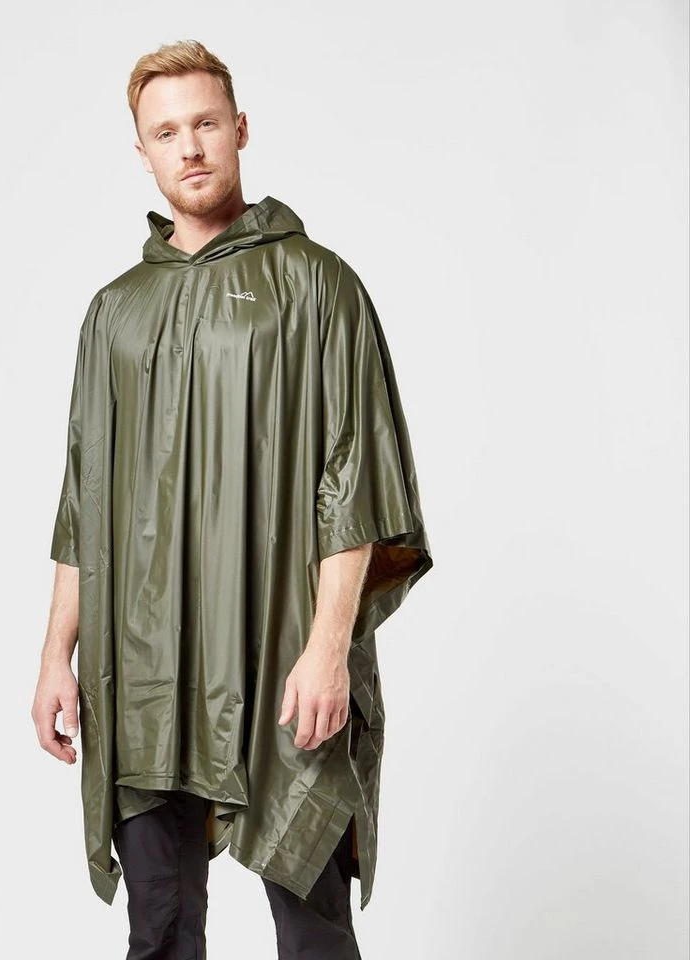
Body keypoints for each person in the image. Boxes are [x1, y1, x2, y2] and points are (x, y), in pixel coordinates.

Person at [32, 39, 433, 960]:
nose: (190, 147)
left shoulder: (317, 284)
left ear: (240, 128)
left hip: (280, 653)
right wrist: (57, 655)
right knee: (161, 929)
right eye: (166, 132)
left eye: (206, 123)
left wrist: (328, 650)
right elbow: (83, 498)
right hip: (144, 668)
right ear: (143, 152)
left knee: (312, 929)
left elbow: (355, 479)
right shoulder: (115, 312)